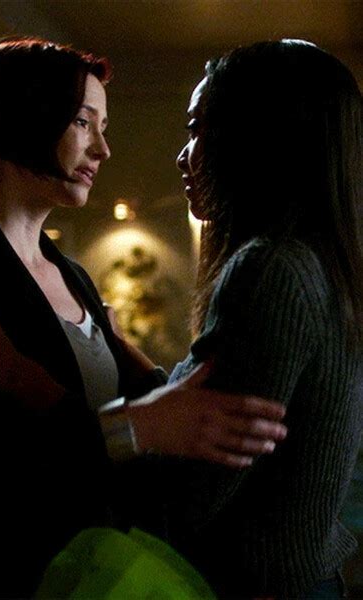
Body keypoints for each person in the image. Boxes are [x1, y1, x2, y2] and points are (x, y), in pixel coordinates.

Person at [0, 37, 287, 598]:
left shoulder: (73, 275)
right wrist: (138, 426)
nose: (102, 149)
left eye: (102, 127)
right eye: (84, 122)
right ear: (24, 117)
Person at [157, 39, 362, 599]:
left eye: (197, 129)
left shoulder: (272, 267)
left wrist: (109, 435)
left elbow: (198, 485)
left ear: (254, 136)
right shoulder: (324, 263)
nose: (184, 155)